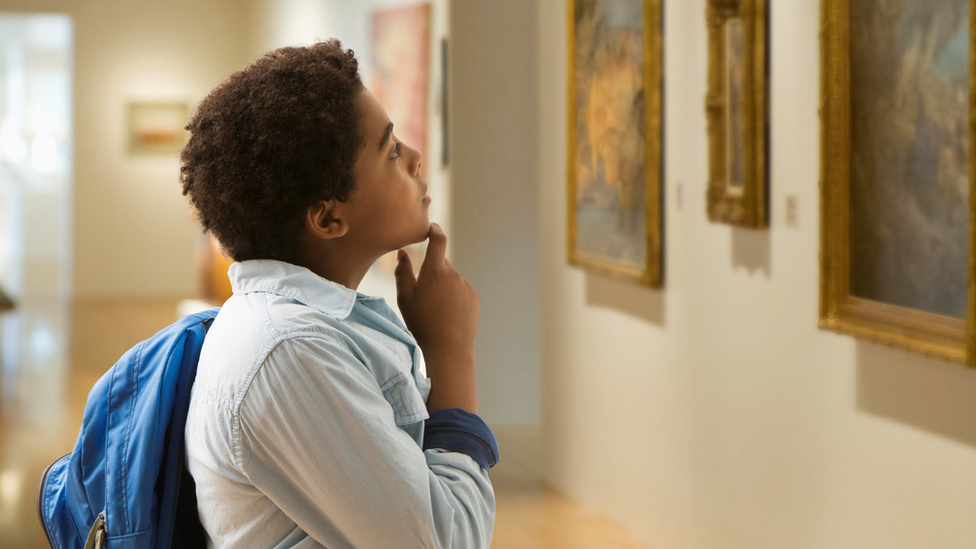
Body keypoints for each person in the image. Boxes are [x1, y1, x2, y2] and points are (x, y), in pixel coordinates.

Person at [180, 40, 497, 549]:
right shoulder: (288, 351)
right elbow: (444, 542)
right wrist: (452, 353)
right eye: (391, 151)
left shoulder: (305, 327)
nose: (416, 158)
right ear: (329, 218)